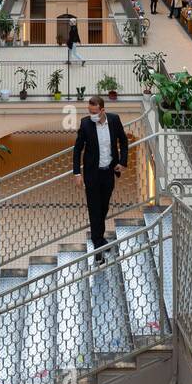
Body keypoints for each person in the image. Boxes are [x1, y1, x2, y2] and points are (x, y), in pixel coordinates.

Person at [73, 96, 128, 263]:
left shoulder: (114, 120)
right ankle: (98, 248)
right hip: (92, 175)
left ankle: (100, 239)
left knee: (103, 208)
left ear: (103, 110)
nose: (91, 115)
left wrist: (122, 162)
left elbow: (123, 141)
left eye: (94, 112)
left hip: (108, 173)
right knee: (94, 210)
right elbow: (77, 150)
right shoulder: (85, 124)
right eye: (89, 112)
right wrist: (77, 173)